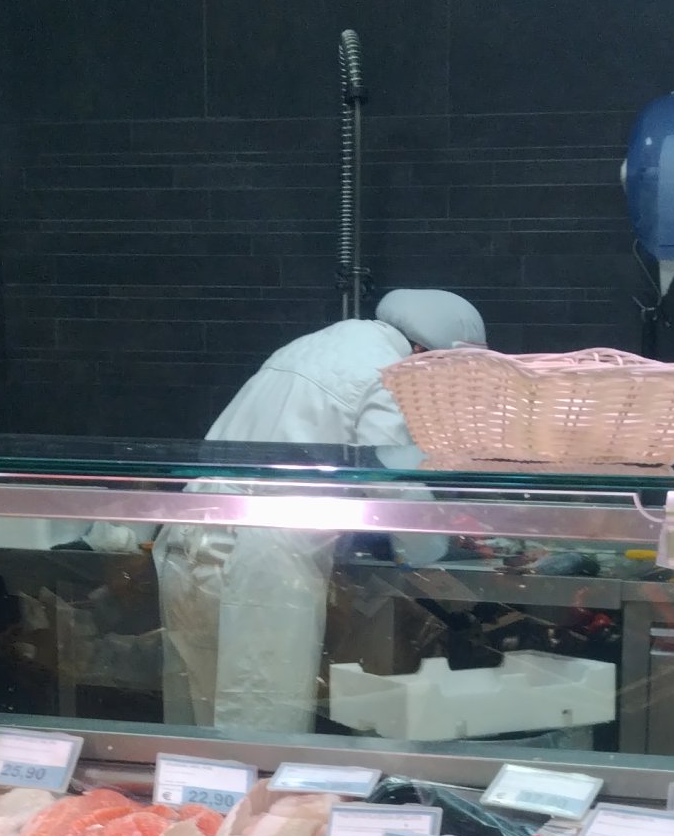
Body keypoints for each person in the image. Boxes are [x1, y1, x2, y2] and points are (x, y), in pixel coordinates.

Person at [153, 290, 485, 729]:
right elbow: (393, 485)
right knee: (261, 719)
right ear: (425, 353)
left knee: (196, 712)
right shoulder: (390, 375)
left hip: (188, 535)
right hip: (262, 558)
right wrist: (437, 549)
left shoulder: (310, 346)